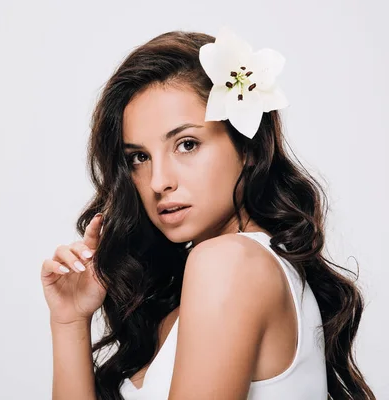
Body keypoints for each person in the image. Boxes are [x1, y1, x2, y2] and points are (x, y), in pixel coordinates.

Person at [40, 27, 376, 400]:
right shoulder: (202, 283)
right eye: (139, 157)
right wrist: (70, 320)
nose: (158, 182)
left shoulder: (228, 261)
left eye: (187, 144)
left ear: (247, 147)